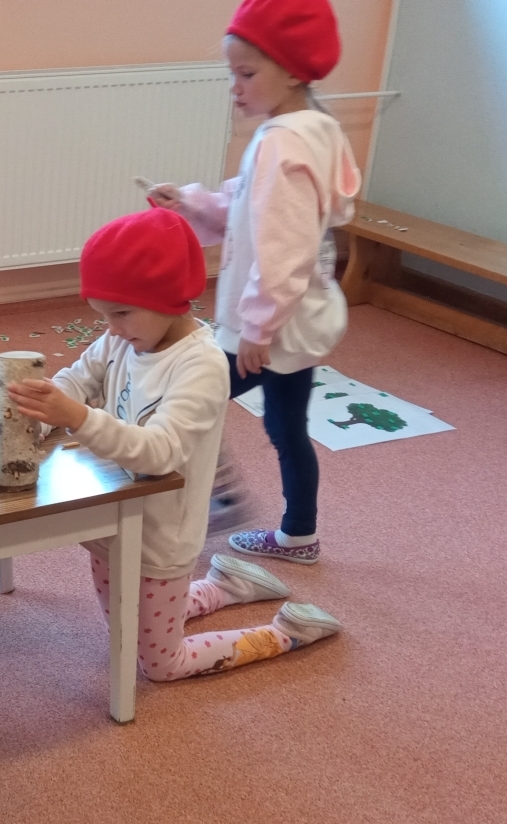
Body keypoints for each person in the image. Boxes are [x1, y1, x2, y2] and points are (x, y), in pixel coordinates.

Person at [7, 208, 342, 682]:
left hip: (162, 537)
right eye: (104, 315)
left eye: (120, 313)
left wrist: (76, 417)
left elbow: (160, 452)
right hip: (114, 518)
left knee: (161, 666)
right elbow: (79, 378)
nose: (111, 327)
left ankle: (286, 632)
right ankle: (225, 585)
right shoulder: (123, 337)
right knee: (125, 627)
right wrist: (45, 410)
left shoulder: (201, 365)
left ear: (166, 298)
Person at [149, 0, 361, 565]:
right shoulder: (312, 130)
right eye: (232, 74)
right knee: (286, 426)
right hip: (299, 320)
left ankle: (211, 505)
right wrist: (189, 202)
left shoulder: (280, 144)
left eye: (246, 74)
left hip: (268, 328)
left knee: (183, 399)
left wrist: (258, 328)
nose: (234, 88)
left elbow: (284, 249)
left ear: (291, 72)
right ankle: (298, 535)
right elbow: (247, 210)